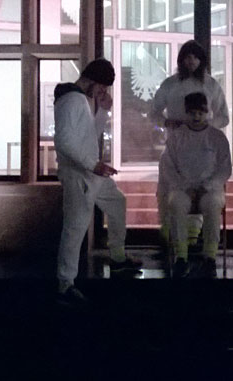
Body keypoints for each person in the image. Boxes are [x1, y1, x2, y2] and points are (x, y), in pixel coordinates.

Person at [54, 58, 142, 306]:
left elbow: (87, 137)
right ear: (92, 80)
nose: (102, 92)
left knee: (116, 203)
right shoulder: (73, 100)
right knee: (75, 228)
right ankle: (65, 284)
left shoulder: (77, 99)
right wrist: (93, 165)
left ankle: (118, 257)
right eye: (102, 87)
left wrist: (103, 111)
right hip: (81, 175)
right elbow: (64, 142)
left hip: (90, 173)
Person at [151, 40, 229, 250]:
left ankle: (194, 236)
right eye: (187, 57)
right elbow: (154, 112)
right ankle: (170, 236)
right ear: (181, 60)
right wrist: (167, 123)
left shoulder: (211, 85)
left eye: (195, 57)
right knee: (167, 190)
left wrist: (205, 126)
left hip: (205, 145)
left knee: (203, 186)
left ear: (202, 60)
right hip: (176, 144)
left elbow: (224, 116)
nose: (191, 61)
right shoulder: (170, 84)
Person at [160, 92, 232, 279]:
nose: (197, 117)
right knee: (176, 204)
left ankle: (210, 256)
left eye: (201, 113)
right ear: (186, 113)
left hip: (210, 188)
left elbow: (225, 169)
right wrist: (185, 186)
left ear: (207, 113)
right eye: (192, 113)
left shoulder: (217, 137)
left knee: (213, 205)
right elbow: (168, 167)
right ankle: (181, 256)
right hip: (182, 187)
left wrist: (207, 186)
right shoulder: (177, 137)